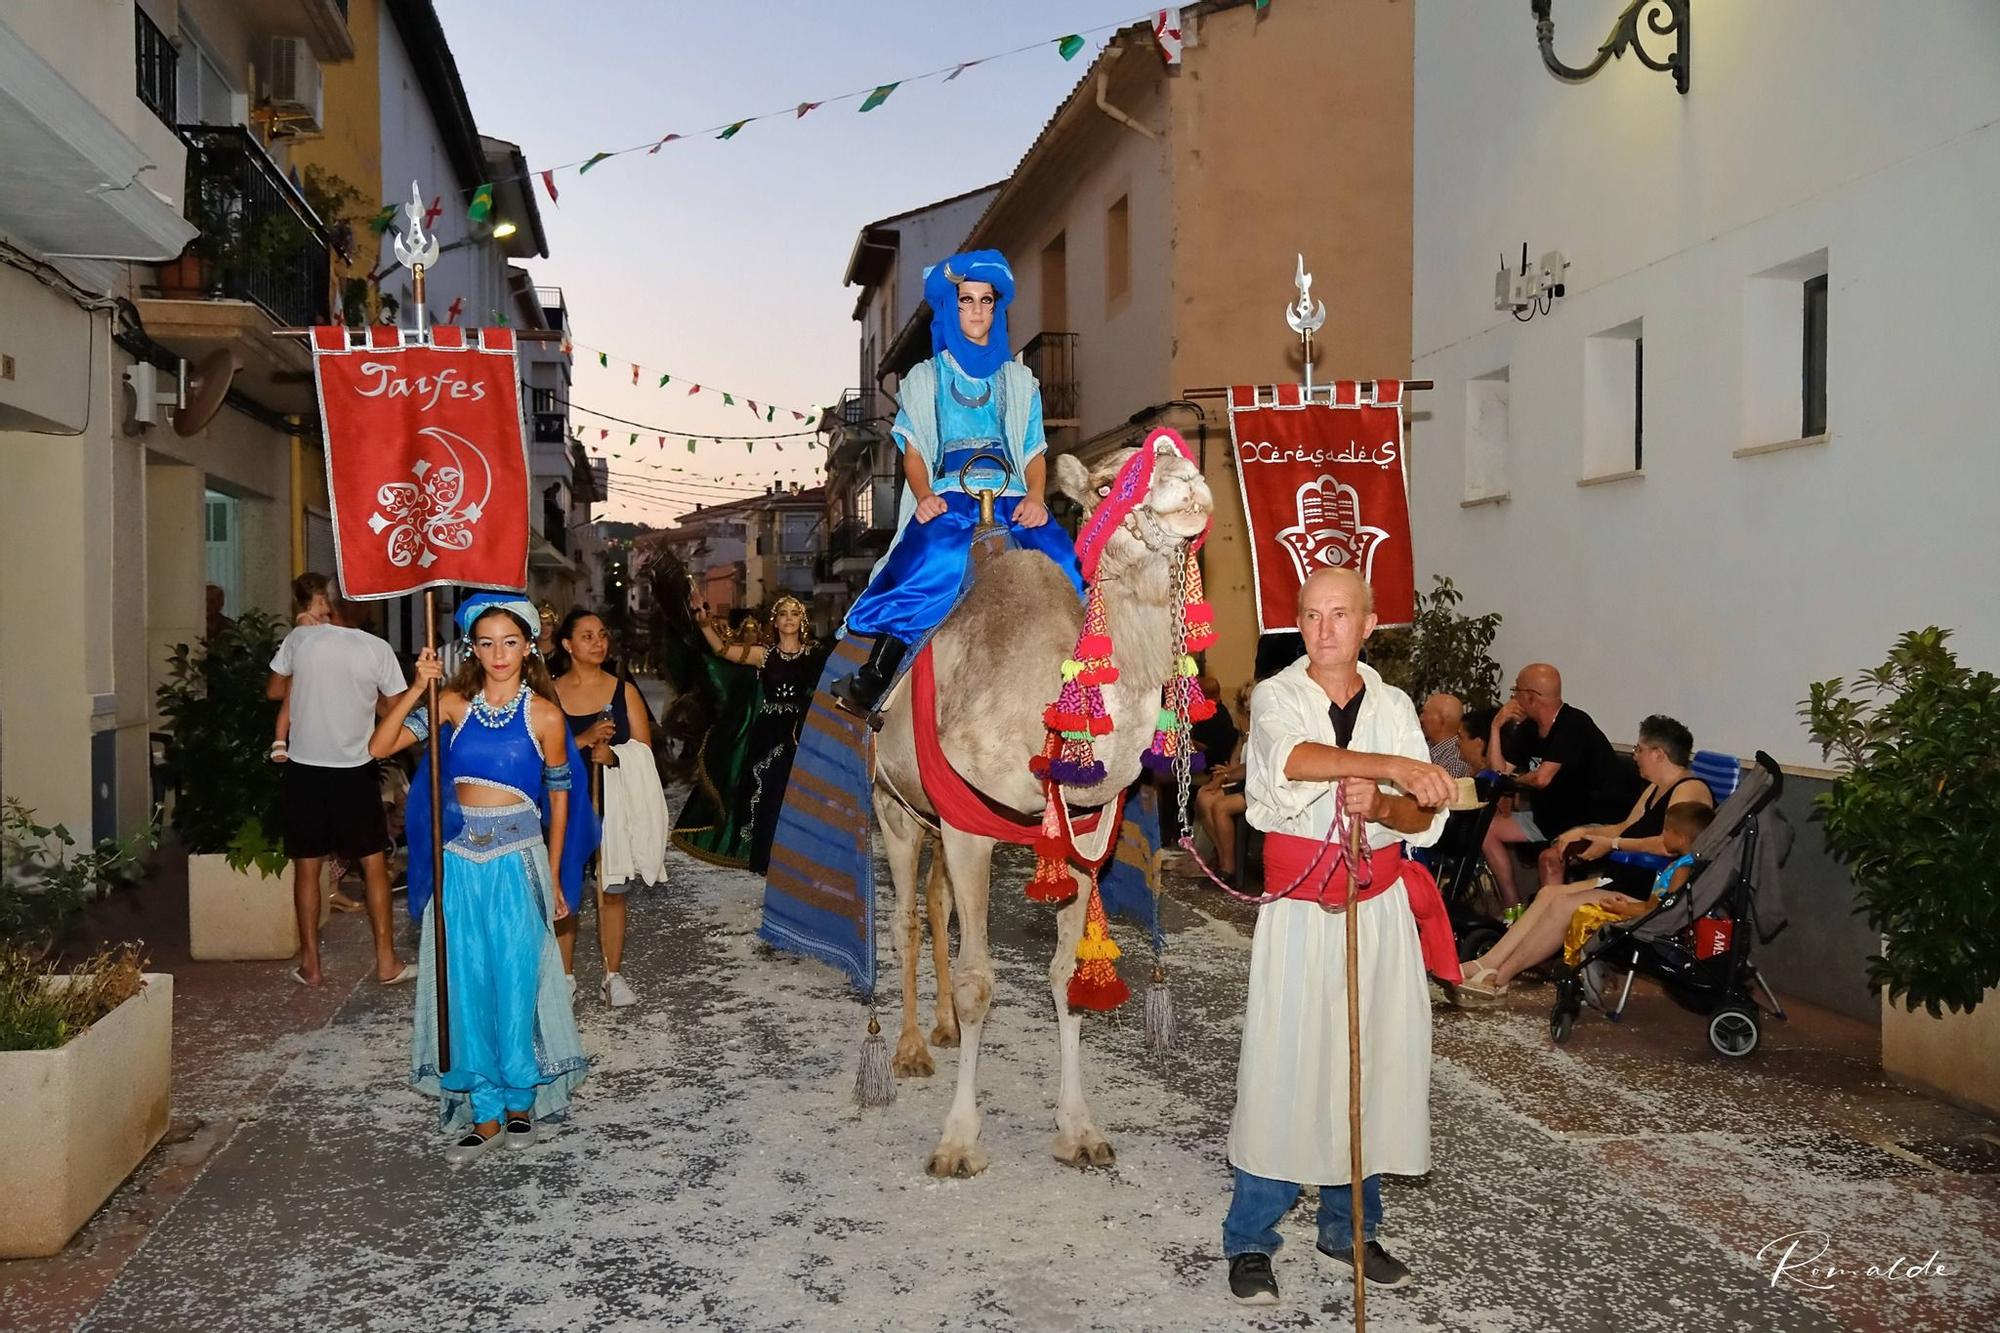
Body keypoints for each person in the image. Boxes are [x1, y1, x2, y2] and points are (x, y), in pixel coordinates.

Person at [1223, 568, 1457, 1307]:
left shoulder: (1393, 705)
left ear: (1368, 622)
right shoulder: (1276, 695)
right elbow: (1294, 760)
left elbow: (1422, 815)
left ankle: (1349, 1228)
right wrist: (1387, 767)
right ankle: (1252, 1236)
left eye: (1340, 615)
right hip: (1299, 910)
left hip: (1379, 906)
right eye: (1312, 615)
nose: (1325, 629)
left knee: (1369, 1058)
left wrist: (1385, 797)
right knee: (1287, 1062)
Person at [370, 593, 597, 1167]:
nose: (499, 653)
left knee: (515, 982)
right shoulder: (451, 705)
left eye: (511, 642)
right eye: (487, 643)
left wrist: (554, 875)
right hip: (460, 868)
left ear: (529, 647)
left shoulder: (544, 715)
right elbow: (378, 747)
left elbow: (561, 798)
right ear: (472, 649)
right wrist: (415, 688)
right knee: (465, 985)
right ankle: (486, 1110)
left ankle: (521, 1101)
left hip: (519, 864)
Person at [830, 249, 1083, 719]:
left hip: (1011, 497)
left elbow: (1033, 452)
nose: (978, 311)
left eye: (987, 301)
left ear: (997, 308)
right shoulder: (926, 378)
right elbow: (914, 451)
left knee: (1065, 563)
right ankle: (877, 676)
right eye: (966, 301)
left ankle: (1086, 676)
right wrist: (925, 497)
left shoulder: (1020, 380)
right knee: (929, 561)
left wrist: (1034, 496)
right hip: (950, 495)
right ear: (951, 307)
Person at [266, 597, 414, 987]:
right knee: (373, 867)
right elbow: (394, 712)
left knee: (307, 866)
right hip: (355, 769)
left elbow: (274, 690)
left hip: (303, 768)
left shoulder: (301, 639)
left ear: (330, 605)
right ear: (367, 610)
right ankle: (386, 962)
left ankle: (311, 964)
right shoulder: (377, 650)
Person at [1461, 802, 1715, 1002]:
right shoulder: (1676, 857)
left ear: (1681, 838)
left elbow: (1662, 906)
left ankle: (1501, 975)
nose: (1663, 835)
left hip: (1639, 900)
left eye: (1666, 831)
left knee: (1561, 904)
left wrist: (1626, 906)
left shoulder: (1682, 867)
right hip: (1630, 886)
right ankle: (1491, 964)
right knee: (1547, 894)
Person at [550, 607, 659, 1008]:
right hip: (563, 804)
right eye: (587, 636)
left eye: (602, 635)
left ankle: (612, 975)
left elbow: (645, 751)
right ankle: (564, 976)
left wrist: (613, 756)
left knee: (612, 889)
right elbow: (538, 750)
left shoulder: (623, 691)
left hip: (610, 800)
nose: (598, 643)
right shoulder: (549, 691)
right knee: (564, 889)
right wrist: (584, 739)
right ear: (567, 644)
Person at [672, 594, 827, 872]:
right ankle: (768, 858)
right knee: (769, 792)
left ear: (802, 621)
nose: (789, 618)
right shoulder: (763, 655)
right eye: (783, 613)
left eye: (795, 613)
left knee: (801, 794)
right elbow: (723, 651)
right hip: (768, 734)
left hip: (802, 732)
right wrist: (705, 624)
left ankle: (801, 857)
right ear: (775, 622)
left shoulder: (815, 655)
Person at [1479, 663, 1627, 909]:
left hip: (1592, 822)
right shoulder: (1529, 729)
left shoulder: (1574, 724)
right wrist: (1495, 727)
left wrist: (1514, 781)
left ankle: (1544, 930)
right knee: (1485, 829)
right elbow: (1498, 772)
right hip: (1550, 818)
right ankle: (1512, 909)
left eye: (1516, 690)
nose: (1513, 697)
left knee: (1549, 859)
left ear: (1530, 697)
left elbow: (1541, 778)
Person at [1533, 714, 1714, 892]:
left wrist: (1612, 844)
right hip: (1628, 874)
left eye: (1639, 749)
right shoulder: (1655, 787)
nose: (1635, 756)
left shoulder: (1688, 789)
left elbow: (1665, 846)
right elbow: (1626, 826)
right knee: (1547, 895)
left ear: (1658, 754)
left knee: (1557, 903)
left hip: (1653, 885)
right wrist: (1584, 833)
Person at [1419, 693, 1471, 778]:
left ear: (1441, 720)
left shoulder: (1456, 761)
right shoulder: (1423, 745)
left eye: (1424, 713)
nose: (1420, 718)